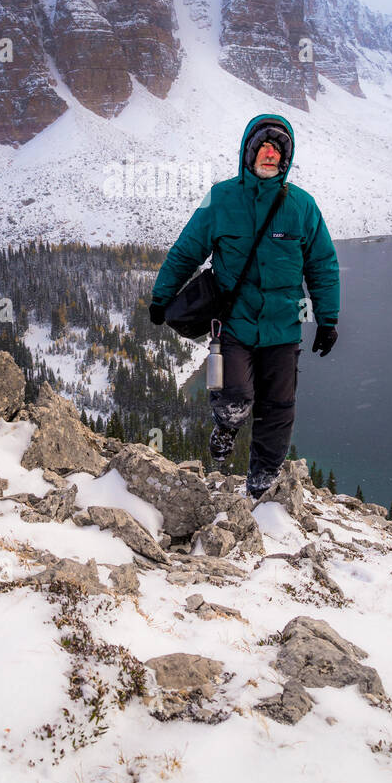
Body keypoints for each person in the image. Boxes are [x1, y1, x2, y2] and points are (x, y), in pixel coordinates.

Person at [148, 113, 340, 500]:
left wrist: (328, 318)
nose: (270, 155)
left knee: (278, 408)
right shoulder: (221, 198)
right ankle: (226, 424)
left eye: (278, 150)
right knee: (232, 394)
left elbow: (322, 263)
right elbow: (187, 251)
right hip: (231, 325)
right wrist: (161, 296)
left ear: (286, 159)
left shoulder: (302, 206)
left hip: (283, 328)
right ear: (249, 153)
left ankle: (261, 483)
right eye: (264, 147)